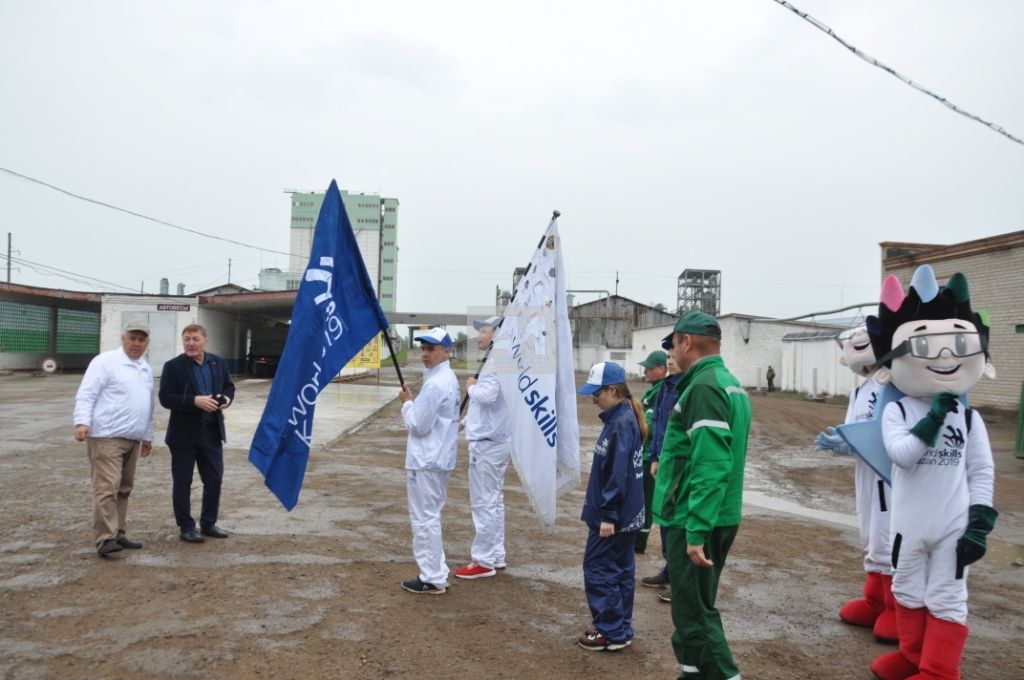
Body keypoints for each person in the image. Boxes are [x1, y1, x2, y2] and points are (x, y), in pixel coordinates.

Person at [867, 267, 997, 680]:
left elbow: (981, 470)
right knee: (906, 589)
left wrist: (979, 521)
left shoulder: (970, 418)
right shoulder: (898, 410)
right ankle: (912, 656)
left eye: (959, 343)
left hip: (952, 526)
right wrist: (931, 421)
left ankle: (939, 670)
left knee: (946, 596)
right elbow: (902, 456)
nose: (945, 356)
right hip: (907, 525)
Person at [652, 310, 751, 679]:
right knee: (689, 605)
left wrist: (695, 531)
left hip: (696, 518)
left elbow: (711, 463)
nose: (672, 352)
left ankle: (726, 675)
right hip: (713, 514)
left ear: (687, 341)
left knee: (695, 610)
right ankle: (692, 671)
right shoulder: (726, 382)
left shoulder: (704, 387)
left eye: (673, 343)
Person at [815, 326, 896, 642]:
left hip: (887, 473)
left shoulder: (893, 383)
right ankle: (875, 600)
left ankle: (896, 609)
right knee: (870, 532)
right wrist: (843, 441)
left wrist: (855, 441)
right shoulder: (860, 389)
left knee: (887, 536)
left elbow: (887, 429)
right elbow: (856, 428)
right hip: (866, 471)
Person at [577, 361, 647, 652]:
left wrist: (607, 515)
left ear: (613, 390)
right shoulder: (624, 417)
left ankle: (609, 631)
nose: (593, 398)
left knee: (597, 568)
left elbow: (617, 474)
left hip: (614, 517)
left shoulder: (620, 423)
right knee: (620, 570)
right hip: (627, 514)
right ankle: (620, 628)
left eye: (597, 393)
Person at [73, 321, 155, 557]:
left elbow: (147, 405)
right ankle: (105, 538)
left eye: (142, 339)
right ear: (123, 338)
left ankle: (118, 532)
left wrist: (147, 435)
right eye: (133, 338)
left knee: (124, 488)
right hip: (106, 436)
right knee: (106, 488)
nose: (137, 343)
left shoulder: (145, 368)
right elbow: (87, 393)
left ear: (147, 342)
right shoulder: (105, 362)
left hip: (133, 438)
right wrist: (82, 422)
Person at [159, 324, 235, 543]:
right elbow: (165, 398)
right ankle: (186, 527)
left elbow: (229, 387)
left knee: (214, 479)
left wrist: (227, 399)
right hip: (183, 435)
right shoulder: (173, 366)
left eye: (195, 339)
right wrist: (194, 401)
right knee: (182, 483)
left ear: (205, 340)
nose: (190, 343)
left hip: (211, 432)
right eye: (186, 339)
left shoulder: (218, 363)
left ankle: (209, 523)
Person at [399, 327, 460, 594]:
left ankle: (432, 577)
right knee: (430, 516)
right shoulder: (446, 379)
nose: (425, 354)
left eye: (431, 349)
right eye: (423, 349)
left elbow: (418, 425)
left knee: (424, 519)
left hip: (426, 460)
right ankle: (436, 571)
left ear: (447, 351)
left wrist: (407, 403)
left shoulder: (436, 384)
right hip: (437, 458)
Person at [455, 316, 512, 580]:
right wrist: (465, 422)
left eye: (483, 331)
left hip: (488, 445)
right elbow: (491, 405)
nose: (478, 335)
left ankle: (483, 560)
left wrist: (471, 386)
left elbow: (487, 397)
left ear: (497, 333)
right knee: (494, 501)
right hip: (494, 439)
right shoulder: (500, 358)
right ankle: (496, 555)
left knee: (484, 503)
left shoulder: (497, 360)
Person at [640, 352, 685, 602]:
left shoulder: (686, 388)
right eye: (668, 355)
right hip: (663, 460)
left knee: (676, 522)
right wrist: (655, 456)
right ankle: (670, 571)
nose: (671, 360)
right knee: (666, 519)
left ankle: (680, 581)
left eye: (675, 355)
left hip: (678, 463)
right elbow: (658, 424)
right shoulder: (666, 387)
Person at [634, 350, 667, 555]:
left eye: (650, 368)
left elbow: (655, 428)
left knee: (646, 499)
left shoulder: (663, 392)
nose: (645, 371)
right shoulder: (654, 391)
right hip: (643, 454)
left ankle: (639, 542)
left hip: (651, 457)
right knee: (639, 498)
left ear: (662, 370)